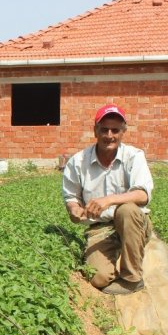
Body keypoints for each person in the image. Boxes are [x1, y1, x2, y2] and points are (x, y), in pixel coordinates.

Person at [62, 104, 154, 295]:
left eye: (115, 130)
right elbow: (71, 197)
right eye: (104, 129)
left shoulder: (134, 156)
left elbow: (143, 195)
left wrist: (109, 200)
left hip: (132, 223)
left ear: (123, 132)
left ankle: (132, 279)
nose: (109, 135)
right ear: (95, 131)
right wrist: (74, 210)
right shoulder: (78, 162)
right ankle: (117, 250)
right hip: (100, 228)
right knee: (98, 278)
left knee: (127, 210)